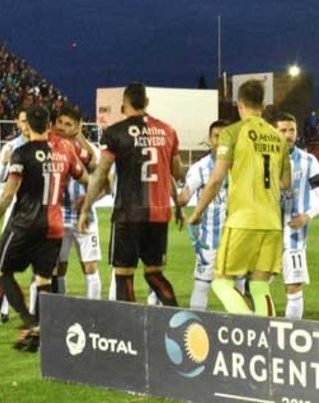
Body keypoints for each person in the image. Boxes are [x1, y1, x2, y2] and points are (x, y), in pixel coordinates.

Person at [0, 105, 86, 350]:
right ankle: (39, 335)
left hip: (25, 223)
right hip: (53, 225)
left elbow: (9, 193)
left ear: (26, 126)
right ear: (50, 126)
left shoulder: (22, 153)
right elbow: (85, 178)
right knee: (43, 279)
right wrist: (86, 204)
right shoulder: (66, 151)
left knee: (2, 272)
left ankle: (29, 321)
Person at [188, 80, 289, 315]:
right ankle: (267, 336)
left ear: (239, 104)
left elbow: (214, 181)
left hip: (243, 219)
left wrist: (197, 212)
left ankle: (248, 326)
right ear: (263, 105)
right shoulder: (279, 137)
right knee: (260, 285)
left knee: (221, 281)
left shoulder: (232, 133)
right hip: (272, 222)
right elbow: (286, 183)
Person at [78, 83, 183, 305]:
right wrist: (179, 206)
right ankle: (177, 317)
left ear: (124, 104)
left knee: (124, 275)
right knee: (154, 273)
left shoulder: (115, 132)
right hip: (159, 213)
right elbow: (175, 172)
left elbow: (101, 172)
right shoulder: (168, 131)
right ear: (146, 103)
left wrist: (86, 207)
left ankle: (131, 332)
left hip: (129, 213)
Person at [274, 112, 319, 320]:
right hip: (264, 233)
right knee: (257, 286)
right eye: (283, 130)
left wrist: (307, 216)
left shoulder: (308, 161)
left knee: (294, 288)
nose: (288, 135)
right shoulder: (263, 160)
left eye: (292, 130)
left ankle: (289, 334)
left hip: (294, 236)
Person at [177, 120, 231, 311]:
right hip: (210, 238)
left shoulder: (240, 165)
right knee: (202, 285)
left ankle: (238, 331)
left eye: (225, 136)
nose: (220, 140)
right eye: (217, 136)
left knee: (238, 287)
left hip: (236, 238)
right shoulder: (200, 168)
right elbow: (184, 197)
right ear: (210, 139)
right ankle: (197, 326)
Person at [51, 104, 102, 301]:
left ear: (78, 126)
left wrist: (89, 201)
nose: (63, 127)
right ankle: (61, 307)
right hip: (59, 217)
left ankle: (93, 310)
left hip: (85, 217)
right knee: (58, 267)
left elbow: (101, 177)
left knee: (89, 266)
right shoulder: (50, 147)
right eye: (60, 123)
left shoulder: (89, 150)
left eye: (68, 124)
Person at [0, 109, 29, 183]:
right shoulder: (9, 147)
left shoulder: (43, 145)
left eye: (30, 121)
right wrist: (4, 163)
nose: (27, 125)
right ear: (17, 122)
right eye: (24, 121)